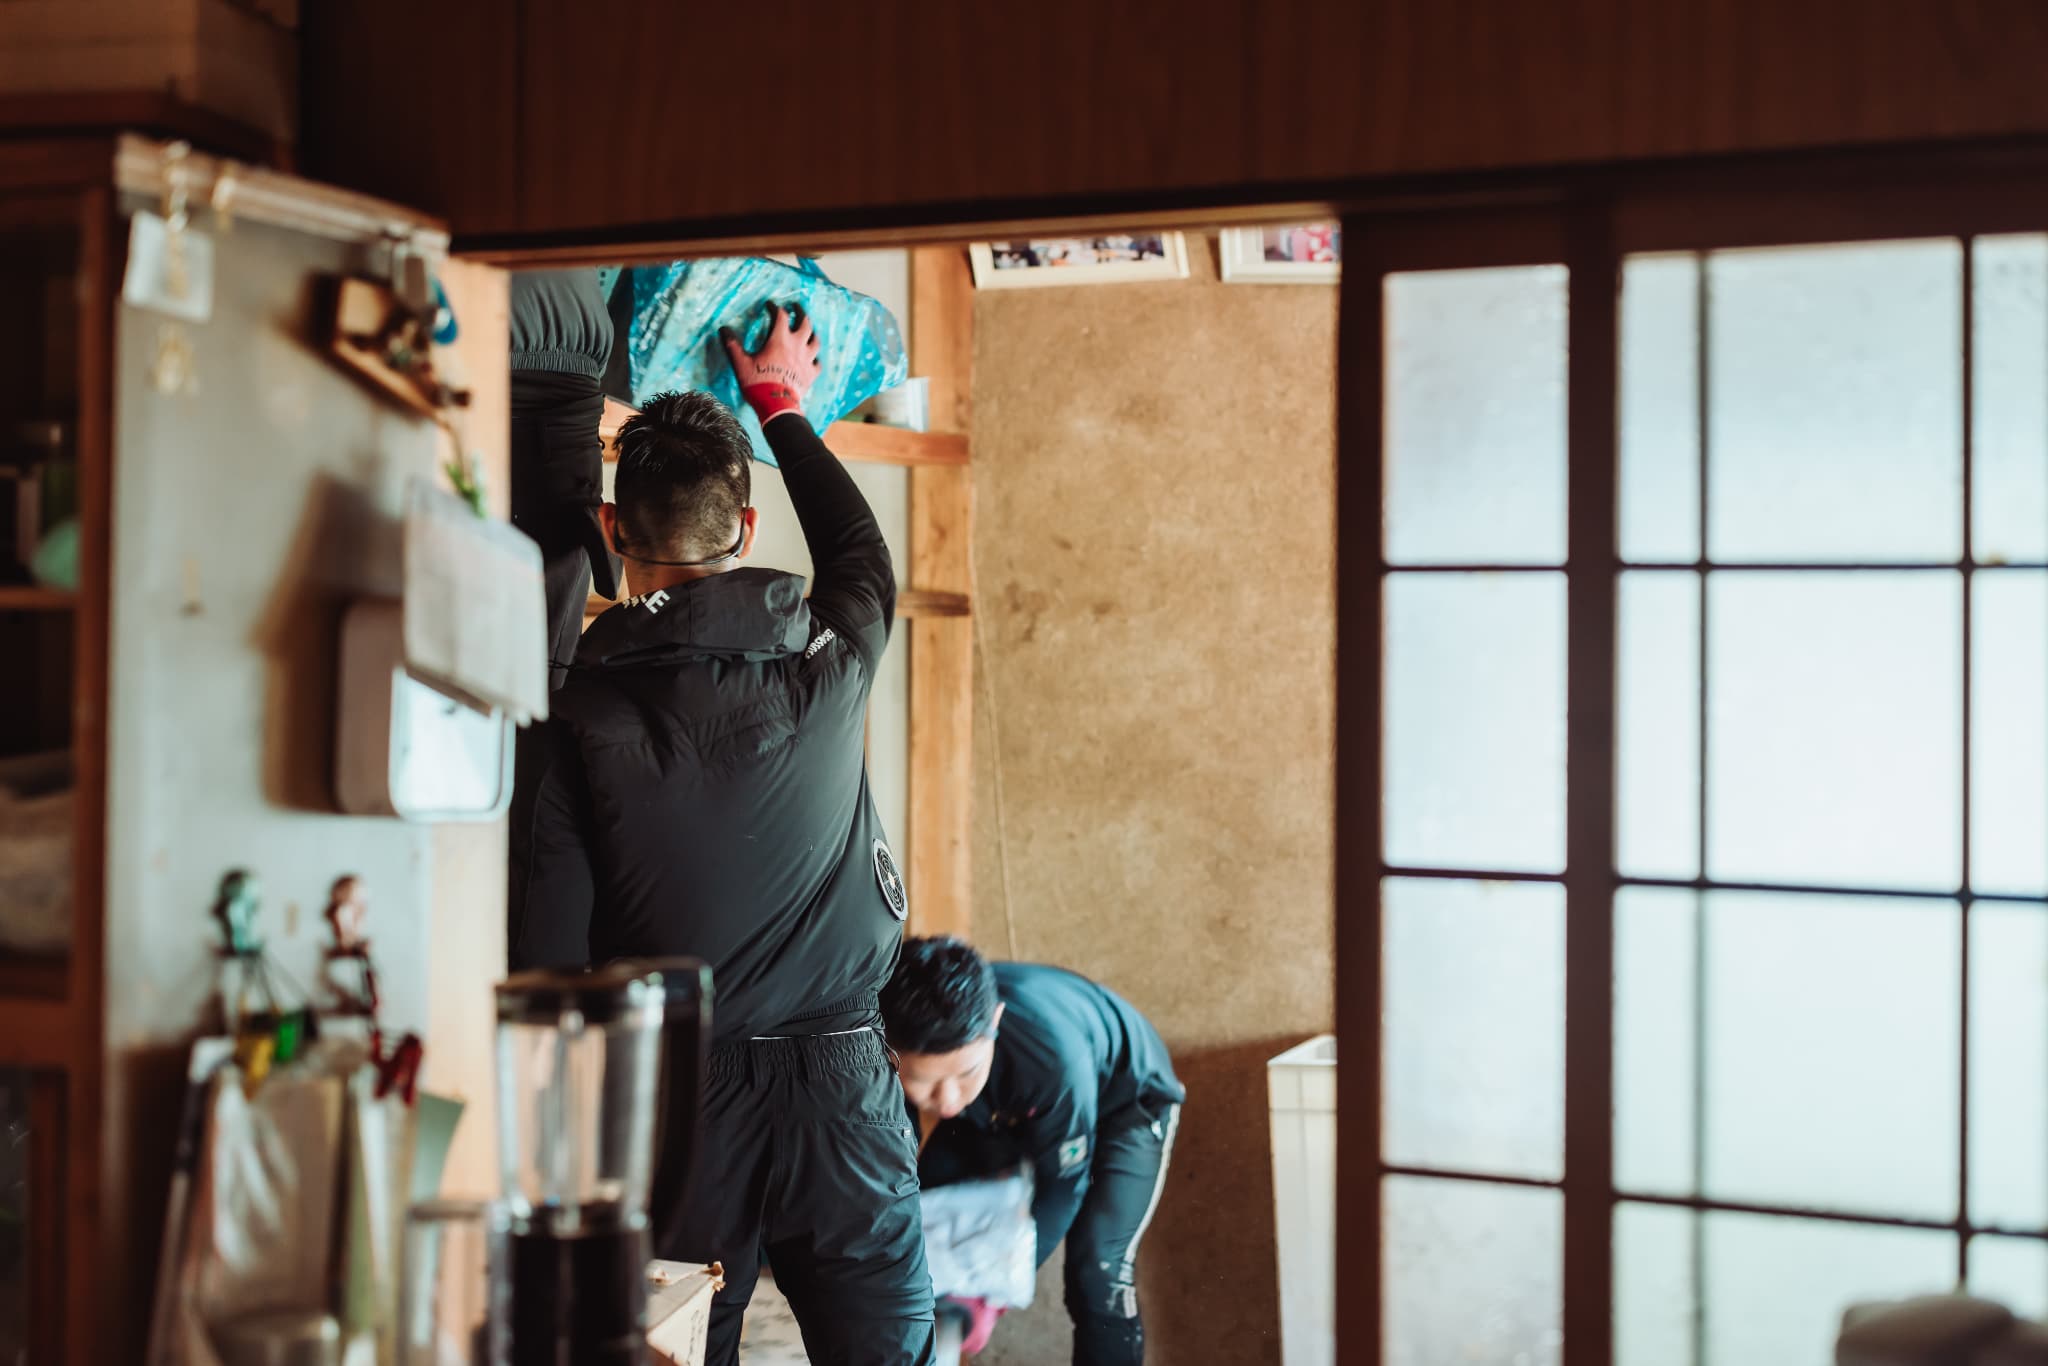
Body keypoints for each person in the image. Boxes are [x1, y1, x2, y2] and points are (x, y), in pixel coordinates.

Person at [509, 303, 935, 1366]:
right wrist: (779, 402)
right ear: (744, 533)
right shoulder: (830, 661)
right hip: (843, 1082)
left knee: (681, 1344)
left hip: (679, 1099)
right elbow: (854, 543)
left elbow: (552, 957)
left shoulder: (577, 722)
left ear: (611, 534)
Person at [880, 937, 1186, 1366]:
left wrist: (991, 1289)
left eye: (964, 1072)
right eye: (922, 1081)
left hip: (1127, 1102)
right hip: (1006, 1105)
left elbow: (1063, 1188)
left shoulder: (1053, 1057)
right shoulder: (883, 1047)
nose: (946, 1101)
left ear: (996, 1019)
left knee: (1097, 1271)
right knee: (928, 1208)